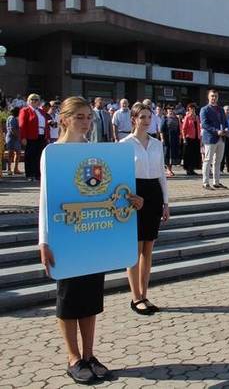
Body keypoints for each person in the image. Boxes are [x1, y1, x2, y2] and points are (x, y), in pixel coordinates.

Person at [39, 96, 142, 384]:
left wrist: (133, 200)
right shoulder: (53, 153)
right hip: (66, 236)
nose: (85, 122)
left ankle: (89, 354)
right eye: (79, 117)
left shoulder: (97, 153)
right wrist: (43, 241)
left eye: (88, 117)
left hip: (93, 235)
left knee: (91, 299)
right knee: (69, 299)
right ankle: (73, 358)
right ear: (64, 119)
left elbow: (110, 192)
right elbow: (46, 200)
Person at [121, 103, 170, 316]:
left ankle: (145, 294)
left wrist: (165, 202)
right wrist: (130, 197)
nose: (147, 120)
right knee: (135, 249)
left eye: (149, 117)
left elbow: (161, 175)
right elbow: (120, 177)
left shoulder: (157, 144)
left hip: (153, 194)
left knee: (148, 248)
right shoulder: (124, 144)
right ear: (134, 119)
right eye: (142, 117)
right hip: (135, 194)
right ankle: (136, 297)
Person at [199, 90, 228, 189]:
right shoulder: (204, 109)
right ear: (208, 97)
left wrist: (226, 128)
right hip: (211, 138)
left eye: (215, 96)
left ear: (218, 97)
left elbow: (225, 121)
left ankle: (216, 182)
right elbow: (204, 124)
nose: (213, 98)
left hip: (221, 138)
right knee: (208, 160)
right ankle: (205, 183)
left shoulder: (220, 109)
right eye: (212, 96)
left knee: (218, 161)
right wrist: (216, 131)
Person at [18, 93, 49, 181]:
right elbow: (22, 125)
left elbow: (46, 124)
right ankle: (30, 174)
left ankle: (37, 174)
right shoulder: (25, 110)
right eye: (32, 99)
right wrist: (23, 137)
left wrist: (47, 136)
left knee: (39, 155)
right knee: (30, 156)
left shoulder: (41, 111)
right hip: (31, 136)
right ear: (28, 101)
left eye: (36, 100)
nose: (34, 101)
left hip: (41, 135)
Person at [180, 103, 201, 176]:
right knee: (188, 154)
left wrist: (200, 137)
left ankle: (192, 169)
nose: (192, 110)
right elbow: (183, 129)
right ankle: (188, 169)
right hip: (189, 138)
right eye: (191, 109)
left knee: (195, 154)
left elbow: (199, 128)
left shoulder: (197, 117)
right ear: (188, 109)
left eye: (193, 109)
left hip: (196, 138)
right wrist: (184, 138)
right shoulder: (187, 117)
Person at [160, 106, 181, 177]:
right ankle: (168, 170)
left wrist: (179, 138)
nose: (171, 110)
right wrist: (162, 139)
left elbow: (178, 130)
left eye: (172, 109)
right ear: (167, 110)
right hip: (167, 138)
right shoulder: (164, 118)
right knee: (167, 153)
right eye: (169, 109)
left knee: (172, 154)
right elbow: (161, 130)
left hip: (174, 138)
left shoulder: (176, 119)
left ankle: (170, 169)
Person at [5, 107, 22, 175]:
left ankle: (15, 169)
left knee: (17, 153)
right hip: (12, 138)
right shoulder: (12, 118)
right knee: (11, 154)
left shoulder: (12, 118)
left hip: (14, 138)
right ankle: (9, 169)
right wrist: (19, 136)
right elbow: (12, 129)